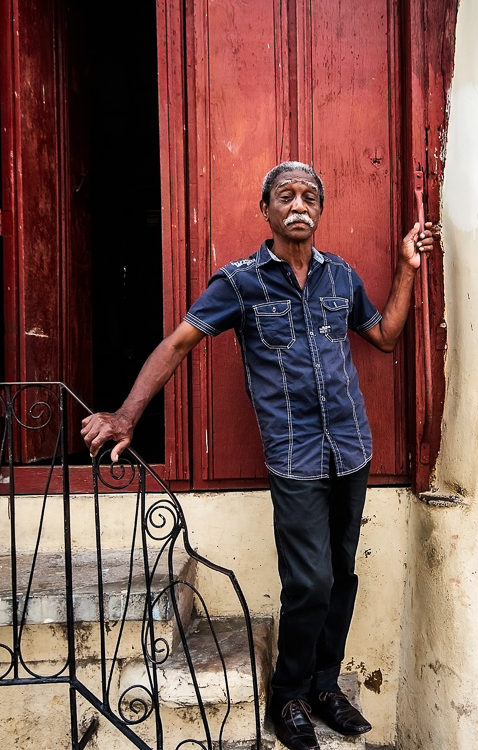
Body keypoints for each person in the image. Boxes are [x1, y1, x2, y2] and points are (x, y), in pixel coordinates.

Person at [81, 161, 434, 750]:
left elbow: (386, 335)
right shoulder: (240, 282)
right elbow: (177, 344)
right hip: (294, 460)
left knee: (340, 578)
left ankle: (325, 685)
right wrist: (125, 415)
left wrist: (405, 268)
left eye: (310, 196)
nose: (300, 205)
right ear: (265, 210)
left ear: (320, 210)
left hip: (351, 451)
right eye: (286, 196)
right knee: (310, 584)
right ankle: (288, 695)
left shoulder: (342, 278)